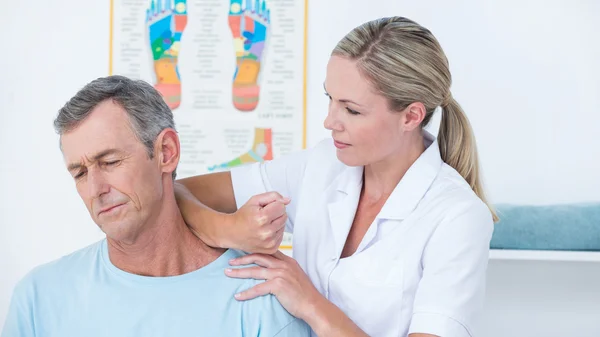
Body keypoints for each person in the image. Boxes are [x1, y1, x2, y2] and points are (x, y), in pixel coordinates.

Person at [175, 16, 498, 337]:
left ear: (411, 116)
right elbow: (177, 192)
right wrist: (228, 229)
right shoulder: (322, 164)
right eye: (329, 98)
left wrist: (310, 303)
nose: (330, 121)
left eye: (352, 110)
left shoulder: (458, 217)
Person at [0, 76, 309, 337]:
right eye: (80, 173)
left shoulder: (263, 296)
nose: (95, 190)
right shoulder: (38, 299)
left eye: (110, 162)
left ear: (166, 152)